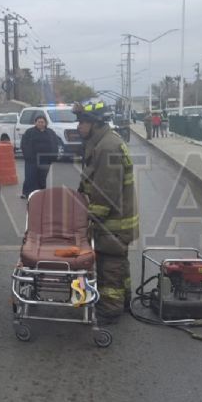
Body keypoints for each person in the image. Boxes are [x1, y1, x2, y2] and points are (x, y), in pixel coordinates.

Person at [73, 101, 138, 324]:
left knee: (109, 263)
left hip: (113, 221)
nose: (79, 126)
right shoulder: (100, 142)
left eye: (83, 122)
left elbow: (106, 191)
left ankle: (110, 309)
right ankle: (125, 300)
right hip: (117, 219)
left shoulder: (107, 147)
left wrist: (88, 219)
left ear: (96, 123)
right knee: (118, 262)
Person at [19, 114, 60, 199]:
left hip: (45, 160)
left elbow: (55, 144)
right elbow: (24, 144)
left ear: (45, 123)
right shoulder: (29, 132)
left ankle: (41, 193)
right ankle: (27, 193)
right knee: (30, 177)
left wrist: (53, 156)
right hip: (31, 160)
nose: (41, 123)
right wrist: (27, 155)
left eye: (42, 122)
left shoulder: (50, 132)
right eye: (39, 122)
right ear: (35, 123)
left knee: (42, 177)